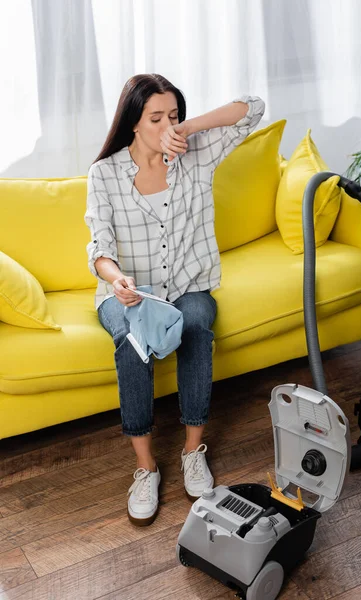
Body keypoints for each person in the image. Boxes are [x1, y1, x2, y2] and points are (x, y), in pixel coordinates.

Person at [84, 73, 265, 526]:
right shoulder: (104, 174)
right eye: (156, 117)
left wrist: (190, 128)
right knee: (130, 340)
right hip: (127, 292)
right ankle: (145, 467)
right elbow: (99, 247)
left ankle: (191, 451)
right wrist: (118, 279)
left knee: (197, 322)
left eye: (174, 115)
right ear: (132, 123)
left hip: (187, 284)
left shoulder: (197, 154)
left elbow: (253, 108)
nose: (167, 125)